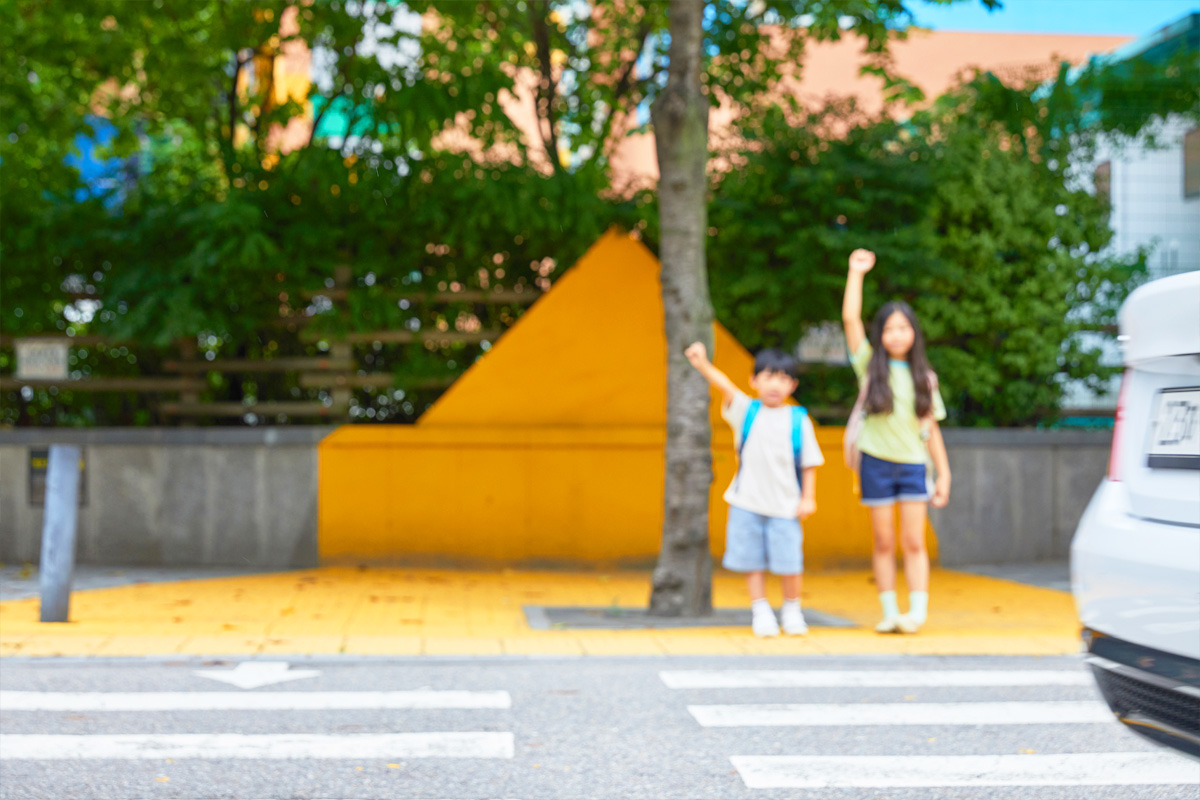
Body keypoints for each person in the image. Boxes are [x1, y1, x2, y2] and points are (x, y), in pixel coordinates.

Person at [842, 248, 951, 634]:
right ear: (881, 335)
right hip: (875, 462)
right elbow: (850, 318)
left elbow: (930, 429)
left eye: (903, 328)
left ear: (914, 333)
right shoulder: (869, 366)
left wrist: (944, 475)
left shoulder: (926, 378)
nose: (896, 334)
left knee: (914, 541)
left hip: (912, 465)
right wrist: (856, 273)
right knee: (884, 542)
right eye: (889, 328)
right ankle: (889, 611)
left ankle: (916, 613)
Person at [684, 341, 824, 637]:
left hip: (786, 506)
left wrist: (808, 498)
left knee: (790, 563)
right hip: (746, 502)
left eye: (784, 378)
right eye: (769, 376)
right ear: (754, 381)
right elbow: (725, 387)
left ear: (793, 385)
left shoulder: (799, 420)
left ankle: (792, 609)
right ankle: (760, 610)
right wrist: (702, 363)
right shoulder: (745, 411)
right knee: (752, 562)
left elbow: (810, 462)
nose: (776, 384)